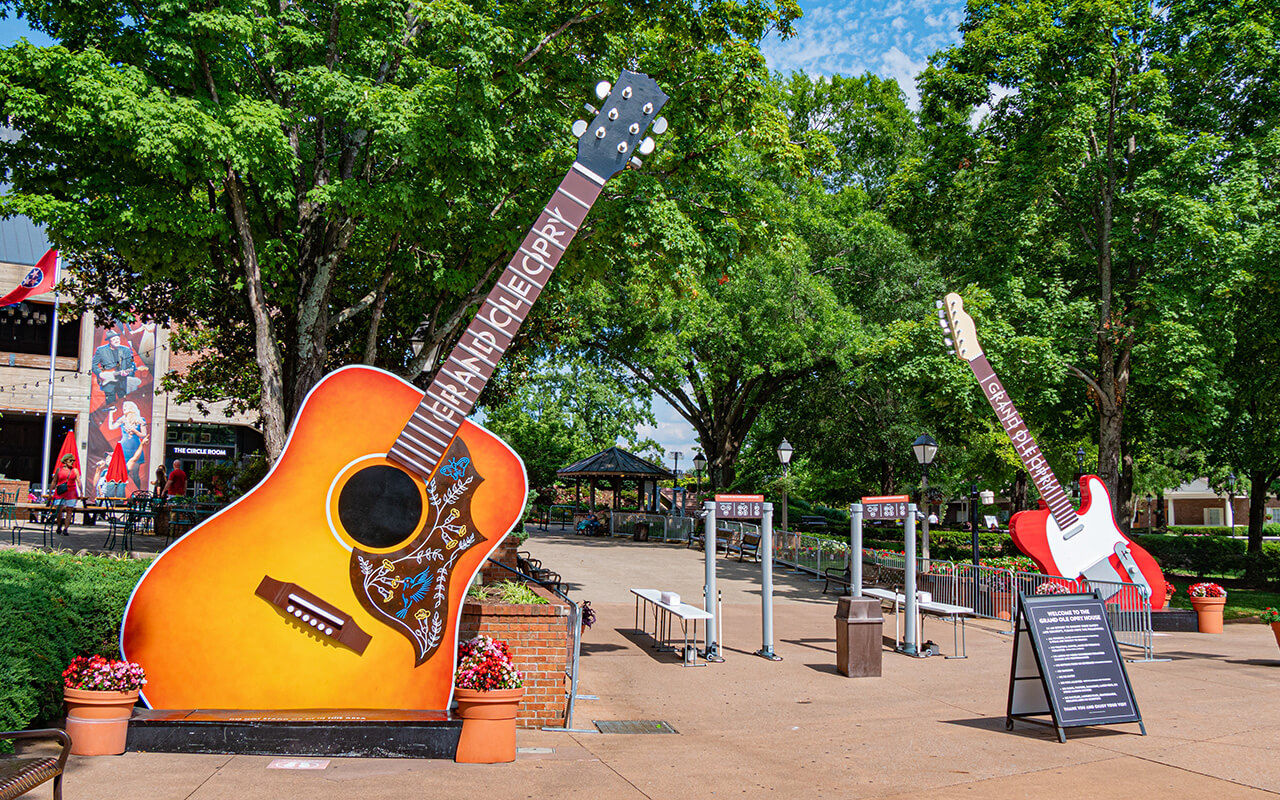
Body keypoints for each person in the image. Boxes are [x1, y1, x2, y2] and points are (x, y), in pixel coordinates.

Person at [90, 329, 139, 404]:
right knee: (110, 405)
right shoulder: (101, 350)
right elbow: (93, 364)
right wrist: (100, 374)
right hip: (108, 383)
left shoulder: (125, 350)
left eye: (117, 339)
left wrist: (127, 373)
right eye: (114, 339)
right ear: (109, 341)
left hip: (122, 383)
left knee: (123, 404)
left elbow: (130, 366)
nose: (117, 341)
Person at [107, 402, 148, 491]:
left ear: (131, 408)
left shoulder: (140, 420)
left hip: (135, 447)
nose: (123, 408)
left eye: (125, 407)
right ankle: (122, 492)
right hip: (124, 448)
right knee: (123, 472)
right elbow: (111, 427)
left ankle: (137, 492)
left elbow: (144, 434)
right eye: (123, 407)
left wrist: (134, 431)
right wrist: (111, 413)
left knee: (135, 473)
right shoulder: (122, 419)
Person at [51, 453, 80, 536]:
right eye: (70, 460)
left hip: (71, 492)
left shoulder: (75, 470)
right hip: (60, 492)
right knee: (58, 510)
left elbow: (78, 481)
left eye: (73, 461)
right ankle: (59, 525)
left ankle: (66, 529)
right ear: (65, 461)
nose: (72, 462)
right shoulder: (59, 470)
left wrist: (81, 492)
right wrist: (50, 492)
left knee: (69, 511)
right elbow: (54, 481)